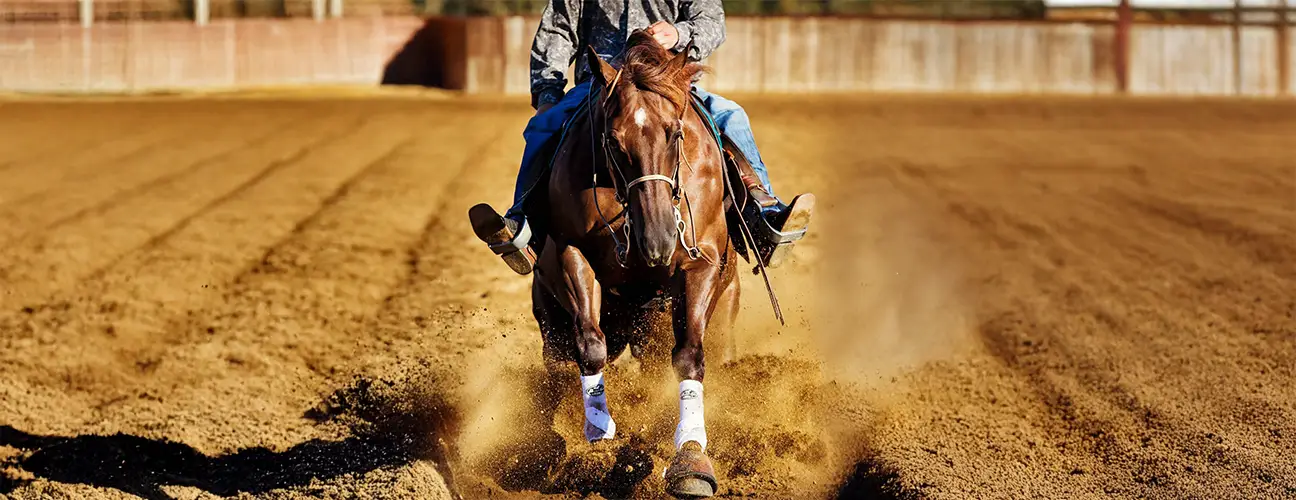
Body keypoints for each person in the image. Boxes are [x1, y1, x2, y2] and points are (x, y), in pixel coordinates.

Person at [467, 0, 814, 275]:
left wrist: (677, 33)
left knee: (732, 116)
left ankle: (762, 214)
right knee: (543, 126)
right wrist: (548, 93)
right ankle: (524, 226)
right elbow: (558, 30)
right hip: (603, 83)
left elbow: (712, 22)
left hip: (667, 83)